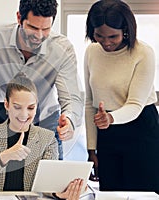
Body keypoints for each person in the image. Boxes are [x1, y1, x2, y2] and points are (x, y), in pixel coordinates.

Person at [0, 0, 84, 160]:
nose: (39, 35)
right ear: (19, 18)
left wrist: (70, 119)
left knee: (49, 181)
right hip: (0, 119)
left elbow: (72, 96)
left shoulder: (62, 48)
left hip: (45, 121)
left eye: (46, 29)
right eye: (33, 28)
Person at [0, 73, 84, 199]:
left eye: (31, 108)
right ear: (7, 105)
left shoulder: (47, 139)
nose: (24, 115)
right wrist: (3, 157)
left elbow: (47, 186)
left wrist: (58, 193)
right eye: (17, 107)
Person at [84, 0, 159, 193]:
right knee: (111, 194)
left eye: (113, 36)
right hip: (107, 132)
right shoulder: (92, 51)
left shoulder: (143, 53)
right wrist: (91, 150)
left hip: (141, 129)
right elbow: (89, 104)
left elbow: (135, 104)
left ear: (125, 30)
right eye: (99, 35)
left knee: (143, 194)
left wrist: (110, 117)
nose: (106, 42)